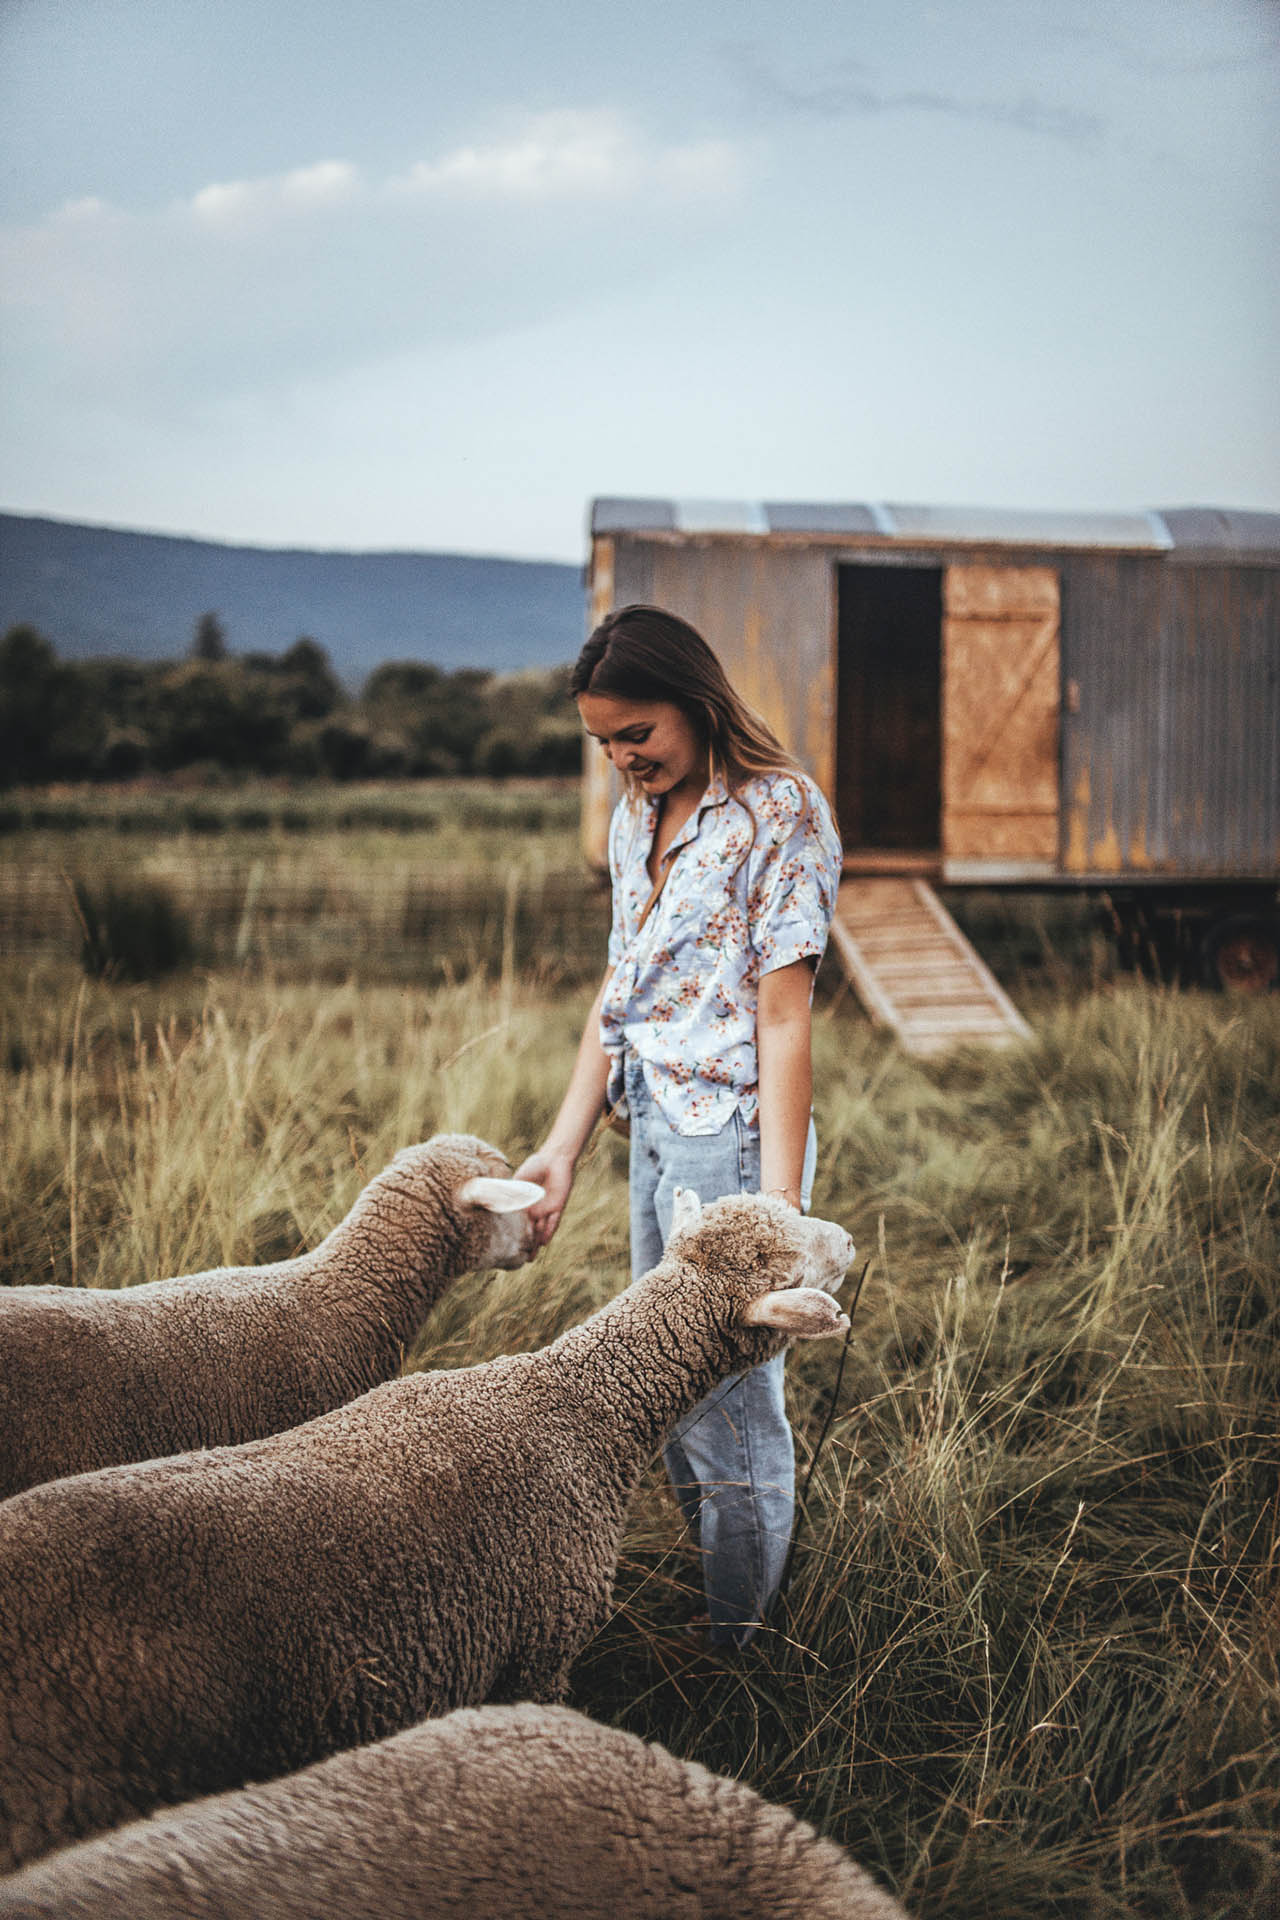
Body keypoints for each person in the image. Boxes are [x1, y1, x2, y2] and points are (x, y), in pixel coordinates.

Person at [516, 604, 842, 1648]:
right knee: (661, 1385)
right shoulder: (632, 821)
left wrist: (777, 1211)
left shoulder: (777, 813)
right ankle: (723, 1591)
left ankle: (737, 1648)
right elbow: (622, 991)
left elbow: (783, 1014)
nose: (620, 760)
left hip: (733, 1144)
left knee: (727, 1408)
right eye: (602, 742)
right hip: (651, 1127)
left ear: (695, 704)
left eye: (636, 735)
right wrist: (561, 1150)